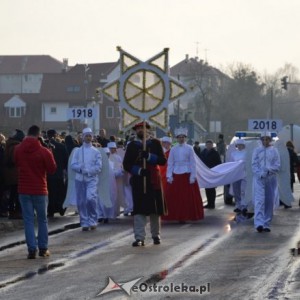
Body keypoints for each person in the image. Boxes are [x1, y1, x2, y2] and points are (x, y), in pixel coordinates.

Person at [14, 125, 57, 259]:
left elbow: (16, 163)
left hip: (24, 189)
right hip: (40, 188)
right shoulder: (44, 151)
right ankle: (43, 248)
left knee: (28, 220)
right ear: (39, 135)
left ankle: (31, 249)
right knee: (42, 220)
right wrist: (50, 152)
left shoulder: (18, 149)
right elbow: (52, 169)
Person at [123, 121, 167, 247]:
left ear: (148, 129)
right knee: (139, 210)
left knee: (155, 210)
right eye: (137, 129)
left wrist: (148, 156)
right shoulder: (132, 145)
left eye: (142, 128)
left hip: (153, 180)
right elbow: (126, 165)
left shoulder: (155, 143)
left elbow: (162, 160)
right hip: (139, 181)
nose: (140, 131)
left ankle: (155, 234)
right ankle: (139, 237)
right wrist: (139, 171)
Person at [164, 128, 204, 222]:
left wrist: (193, 176)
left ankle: (187, 215)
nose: (181, 139)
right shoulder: (173, 149)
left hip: (187, 173)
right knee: (175, 197)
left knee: (187, 197)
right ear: (177, 138)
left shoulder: (190, 148)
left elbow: (193, 163)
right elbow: (170, 163)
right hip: (176, 174)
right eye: (179, 137)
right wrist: (169, 175)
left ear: (185, 138)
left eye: (183, 137)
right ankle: (176, 215)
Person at [71, 127, 102, 231]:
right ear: (83, 137)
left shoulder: (96, 151)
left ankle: (93, 220)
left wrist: (88, 171)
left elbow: (99, 167)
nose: (88, 138)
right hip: (80, 179)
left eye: (90, 136)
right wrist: (80, 169)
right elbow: (73, 164)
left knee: (90, 198)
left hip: (91, 179)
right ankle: (84, 221)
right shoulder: (78, 151)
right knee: (81, 201)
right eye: (86, 136)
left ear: (92, 137)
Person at [252, 132, 280, 232]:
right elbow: (254, 164)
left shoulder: (274, 151)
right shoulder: (257, 151)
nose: (265, 141)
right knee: (259, 201)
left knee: (269, 201)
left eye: (267, 139)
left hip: (270, 179)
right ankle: (259, 223)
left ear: (270, 140)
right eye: (263, 139)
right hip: (259, 179)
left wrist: (268, 170)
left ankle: (266, 223)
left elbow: (277, 165)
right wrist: (259, 173)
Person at [46, 129, 68, 218]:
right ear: (56, 135)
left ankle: (50, 210)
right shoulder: (62, 146)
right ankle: (60, 208)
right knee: (60, 192)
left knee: (50, 193)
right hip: (59, 173)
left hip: (48, 173)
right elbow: (66, 159)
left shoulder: (45, 146)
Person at [3, 129, 25, 219]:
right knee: (16, 194)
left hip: (10, 174)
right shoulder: (16, 146)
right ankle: (15, 212)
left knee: (12, 194)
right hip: (16, 174)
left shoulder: (8, 144)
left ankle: (11, 211)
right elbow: (14, 160)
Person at [199, 139, 222, 209]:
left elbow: (219, 163)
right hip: (205, 172)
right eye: (207, 145)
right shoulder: (203, 152)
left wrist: (216, 171)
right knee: (207, 188)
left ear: (212, 145)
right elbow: (200, 161)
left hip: (212, 172)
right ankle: (209, 203)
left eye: (210, 145)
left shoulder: (215, 153)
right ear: (206, 145)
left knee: (212, 188)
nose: (209, 146)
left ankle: (212, 203)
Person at [229, 139, 247, 214]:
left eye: (241, 145)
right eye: (238, 145)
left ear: (243, 146)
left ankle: (244, 205)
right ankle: (238, 205)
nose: (240, 146)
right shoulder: (233, 154)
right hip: (236, 174)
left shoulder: (246, 153)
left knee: (243, 190)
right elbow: (231, 163)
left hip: (243, 174)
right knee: (236, 191)